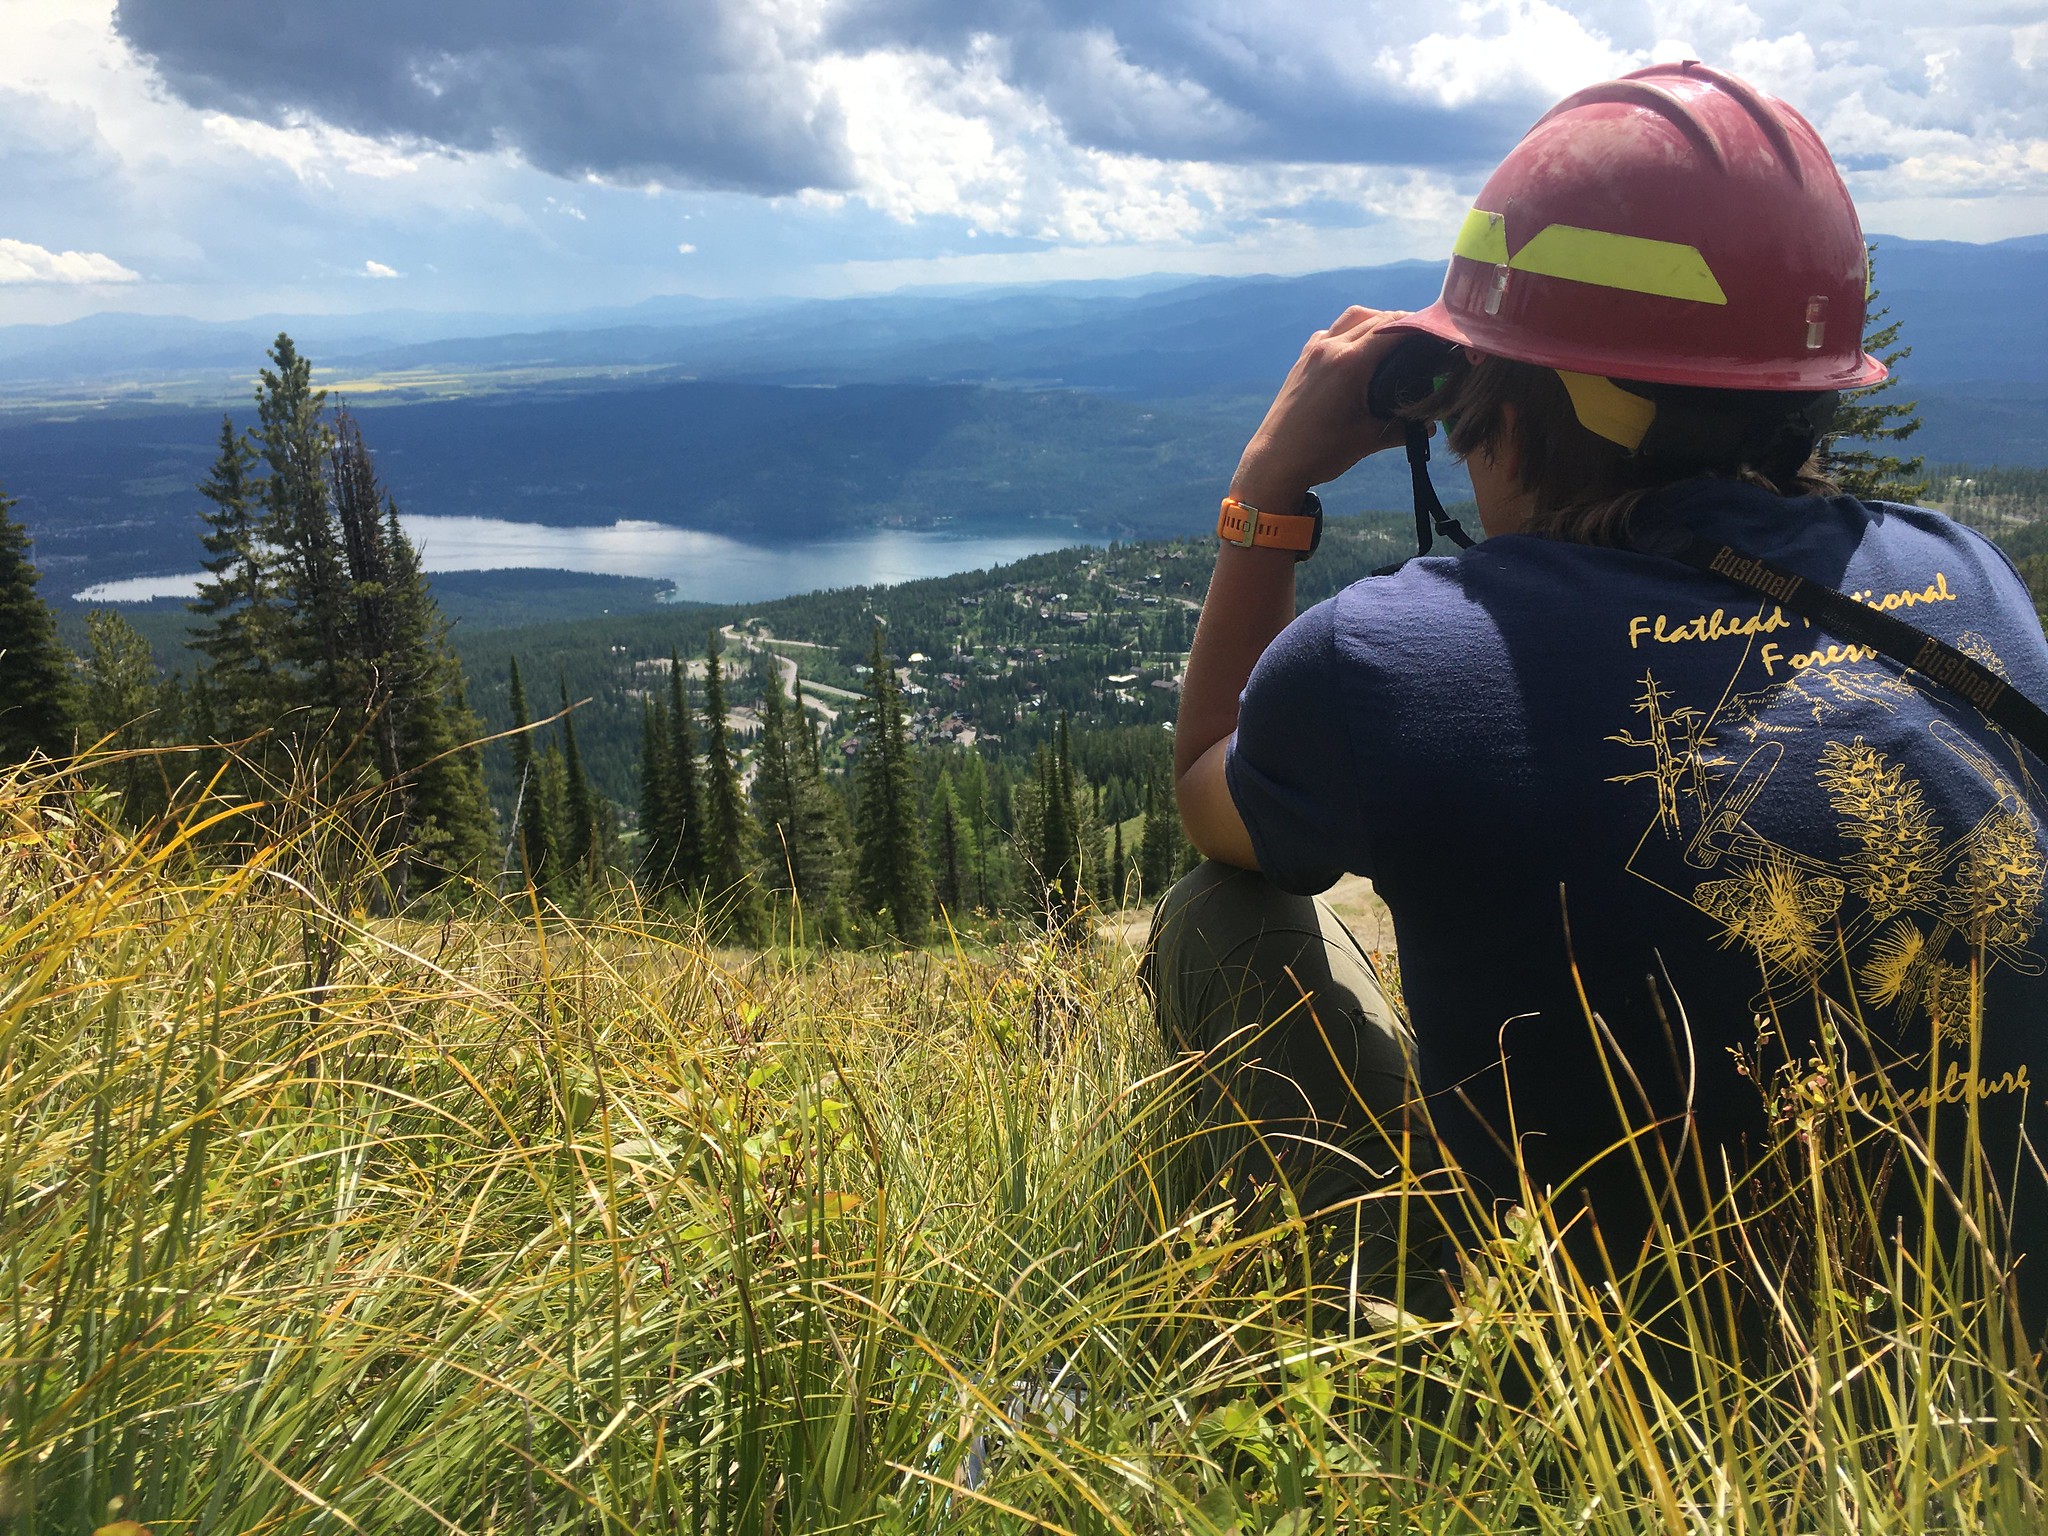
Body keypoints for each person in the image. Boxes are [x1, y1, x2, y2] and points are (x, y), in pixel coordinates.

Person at [1146, 61, 2048, 1321]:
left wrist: (1269, 491)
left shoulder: (1396, 657)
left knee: (1215, 920)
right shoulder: (1964, 579)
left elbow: (1204, 787)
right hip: (1977, 1378)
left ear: (1504, 412)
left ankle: (1350, 1330)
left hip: (1596, 1409)